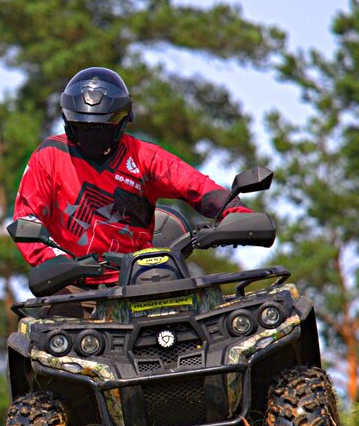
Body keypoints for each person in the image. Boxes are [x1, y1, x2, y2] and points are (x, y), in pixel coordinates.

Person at [12, 67, 250, 287]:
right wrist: (60, 263)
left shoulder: (144, 157)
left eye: (103, 127)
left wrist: (236, 214)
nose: (93, 134)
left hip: (141, 280)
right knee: (41, 331)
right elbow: (27, 218)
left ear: (123, 121)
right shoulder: (50, 156)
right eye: (84, 126)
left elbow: (196, 185)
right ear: (67, 120)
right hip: (73, 286)